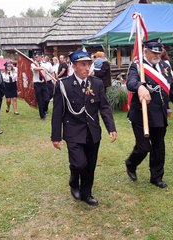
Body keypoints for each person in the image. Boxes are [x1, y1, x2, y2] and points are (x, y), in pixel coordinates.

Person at [51, 48, 117, 206]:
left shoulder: (97, 83)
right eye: (83, 64)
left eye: (89, 64)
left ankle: (86, 193)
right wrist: (56, 136)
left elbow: (104, 108)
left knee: (90, 165)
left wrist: (111, 128)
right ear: (74, 66)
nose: (87, 68)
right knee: (79, 163)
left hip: (92, 131)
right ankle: (74, 182)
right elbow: (57, 112)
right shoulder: (63, 85)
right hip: (73, 131)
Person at [125, 38, 173, 188]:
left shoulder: (165, 66)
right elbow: (130, 82)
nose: (157, 55)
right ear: (145, 51)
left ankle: (156, 177)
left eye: (159, 52)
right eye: (154, 52)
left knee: (159, 147)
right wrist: (139, 86)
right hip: (141, 114)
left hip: (160, 114)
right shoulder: (137, 66)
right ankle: (131, 163)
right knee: (144, 147)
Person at [31, 52, 50, 120]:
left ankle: (44, 110)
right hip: (37, 84)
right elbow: (36, 69)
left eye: (39, 57)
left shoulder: (44, 64)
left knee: (47, 99)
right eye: (36, 57)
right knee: (40, 100)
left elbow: (48, 70)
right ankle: (42, 116)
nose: (38, 58)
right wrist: (42, 68)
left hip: (44, 83)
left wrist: (46, 69)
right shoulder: (33, 64)